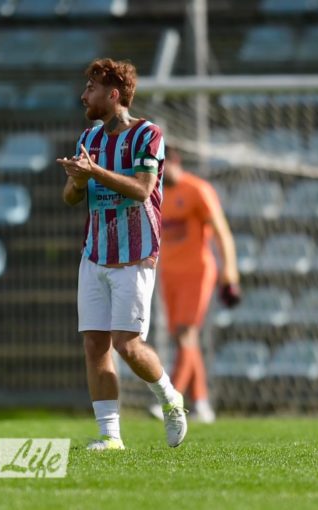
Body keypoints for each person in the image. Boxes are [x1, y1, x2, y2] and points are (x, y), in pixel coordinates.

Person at [57, 58, 186, 450]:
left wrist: (95, 173)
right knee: (94, 345)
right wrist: (78, 181)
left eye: (91, 88)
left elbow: (143, 189)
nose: (84, 95)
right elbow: (70, 198)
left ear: (113, 95)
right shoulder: (89, 139)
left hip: (135, 255)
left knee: (126, 344)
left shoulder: (148, 135)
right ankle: (110, 437)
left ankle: (170, 397)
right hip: (94, 254)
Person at [149, 145, 241, 423]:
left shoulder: (197, 190)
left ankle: (171, 398)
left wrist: (230, 272)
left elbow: (222, 231)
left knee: (186, 333)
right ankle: (201, 403)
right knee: (183, 338)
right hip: (170, 273)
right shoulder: (156, 194)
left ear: (175, 162)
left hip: (197, 272)